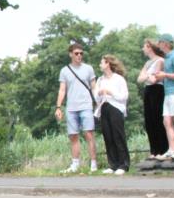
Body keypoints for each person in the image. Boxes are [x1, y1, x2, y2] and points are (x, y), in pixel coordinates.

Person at [55, 44, 98, 173]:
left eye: (81, 53)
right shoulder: (65, 70)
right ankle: (75, 164)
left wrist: (98, 101)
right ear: (70, 54)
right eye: (76, 53)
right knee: (73, 136)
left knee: (89, 134)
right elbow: (62, 90)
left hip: (86, 105)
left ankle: (93, 163)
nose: (79, 56)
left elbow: (94, 86)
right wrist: (58, 107)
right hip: (71, 107)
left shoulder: (88, 69)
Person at [94, 55, 130, 175]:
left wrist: (110, 92)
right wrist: (99, 93)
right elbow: (96, 97)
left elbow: (124, 96)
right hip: (104, 108)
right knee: (108, 136)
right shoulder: (100, 80)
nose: (100, 65)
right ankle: (113, 164)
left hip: (116, 108)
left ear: (108, 64)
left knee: (118, 136)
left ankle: (123, 164)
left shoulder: (118, 79)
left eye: (102, 62)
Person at [136, 39, 168, 159]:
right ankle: (153, 151)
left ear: (150, 47)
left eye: (144, 46)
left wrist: (147, 76)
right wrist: (148, 76)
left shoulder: (160, 60)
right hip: (148, 91)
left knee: (157, 119)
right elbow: (139, 79)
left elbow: (155, 79)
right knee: (149, 121)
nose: (143, 49)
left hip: (157, 91)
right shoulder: (147, 63)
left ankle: (162, 150)